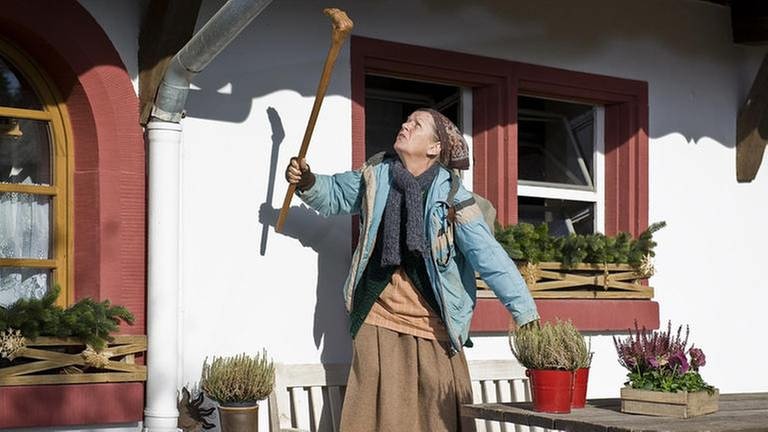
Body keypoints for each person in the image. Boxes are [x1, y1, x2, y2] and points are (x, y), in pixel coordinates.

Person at [285, 108, 539, 432]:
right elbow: (334, 194)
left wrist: (525, 313)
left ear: (434, 148)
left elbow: (492, 259)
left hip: (433, 328)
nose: (405, 124)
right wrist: (307, 181)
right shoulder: (376, 176)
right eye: (406, 120)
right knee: (376, 420)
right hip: (378, 320)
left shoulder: (452, 198)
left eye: (416, 124)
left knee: (438, 420)